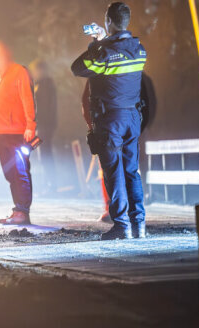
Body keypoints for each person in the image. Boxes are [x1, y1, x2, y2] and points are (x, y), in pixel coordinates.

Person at [71, 2, 147, 240]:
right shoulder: (139, 49)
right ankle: (139, 226)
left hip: (110, 119)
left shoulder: (104, 54)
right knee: (132, 171)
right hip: (133, 117)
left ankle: (122, 226)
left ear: (109, 22)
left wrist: (97, 42)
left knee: (113, 172)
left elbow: (78, 68)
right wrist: (105, 41)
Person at [0, 40, 38, 225]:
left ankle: (22, 212)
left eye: (0, 52)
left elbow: (27, 99)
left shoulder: (19, 72)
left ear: (8, 53)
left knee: (20, 171)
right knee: (10, 174)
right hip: (0, 133)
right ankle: (18, 209)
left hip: (17, 132)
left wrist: (30, 125)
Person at [28, 59, 58, 193]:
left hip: (44, 125)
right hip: (45, 124)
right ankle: (49, 183)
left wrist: (37, 122)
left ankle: (50, 184)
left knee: (44, 154)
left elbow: (43, 107)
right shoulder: (43, 84)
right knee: (44, 153)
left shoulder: (44, 85)